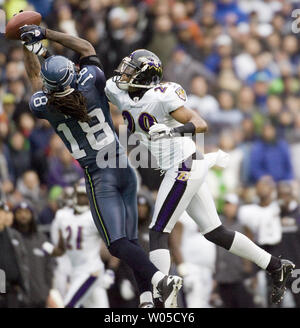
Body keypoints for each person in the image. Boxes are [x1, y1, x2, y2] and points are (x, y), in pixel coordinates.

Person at [105, 48, 295, 307]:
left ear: (146, 76)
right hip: (179, 166)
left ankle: (160, 299)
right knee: (214, 231)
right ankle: (275, 266)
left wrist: (174, 133)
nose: (124, 74)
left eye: (131, 70)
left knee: (158, 230)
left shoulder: (162, 96)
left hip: (184, 163)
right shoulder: (118, 91)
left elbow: (201, 123)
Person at [20, 24, 181, 308]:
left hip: (100, 176)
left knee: (117, 244)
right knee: (130, 240)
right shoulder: (91, 80)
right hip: (124, 169)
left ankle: (159, 280)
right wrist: (44, 34)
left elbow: (35, 78)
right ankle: (146, 301)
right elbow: (86, 48)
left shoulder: (45, 104)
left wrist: (27, 48)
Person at [43, 179, 113, 308]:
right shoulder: (62, 216)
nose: (82, 199)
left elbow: (115, 245)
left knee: (69, 304)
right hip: (76, 272)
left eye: (86, 195)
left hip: (92, 271)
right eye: (80, 195)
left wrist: (111, 270)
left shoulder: (94, 217)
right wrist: (45, 247)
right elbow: (61, 250)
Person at [12, 201, 54, 308]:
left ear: (32, 215)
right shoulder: (9, 238)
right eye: (19, 212)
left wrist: (47, 290)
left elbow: (49, 266)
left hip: (39, 296)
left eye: (26, 212)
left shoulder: (42, 239)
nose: (23, 215)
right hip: (15, 298)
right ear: (14, 215)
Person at [0, 201, 30, 308]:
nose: (2, 215)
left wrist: (23, 283)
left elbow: (23, 260)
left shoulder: (14, 235)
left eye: (3, 212)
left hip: (13, 290)